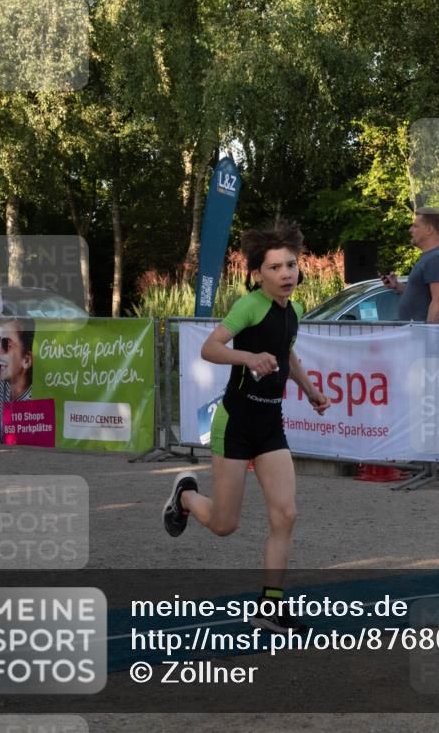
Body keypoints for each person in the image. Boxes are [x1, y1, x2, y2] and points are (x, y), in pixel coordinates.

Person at [162, 220, 331, 634]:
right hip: (235, 424)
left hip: (270, 424)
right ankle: (185, 497)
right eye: (275, 268)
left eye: (291, 265)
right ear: (258, 274)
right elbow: (211, 347)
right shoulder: (250, 305)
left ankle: (269, 608)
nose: (286, 273)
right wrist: (249, 358)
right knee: (224, 525)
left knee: (286, 514)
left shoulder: (293, 310)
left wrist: (310, 390)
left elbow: (287, 354)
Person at [380, 207, 439, 323]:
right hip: (416, 334)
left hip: (423, 336)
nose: (410, 230)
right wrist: (397, 286)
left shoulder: (436, 259)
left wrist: (428, 335)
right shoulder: (429, 257)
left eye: (415, 226)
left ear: (429, 230)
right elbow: (422, 294)